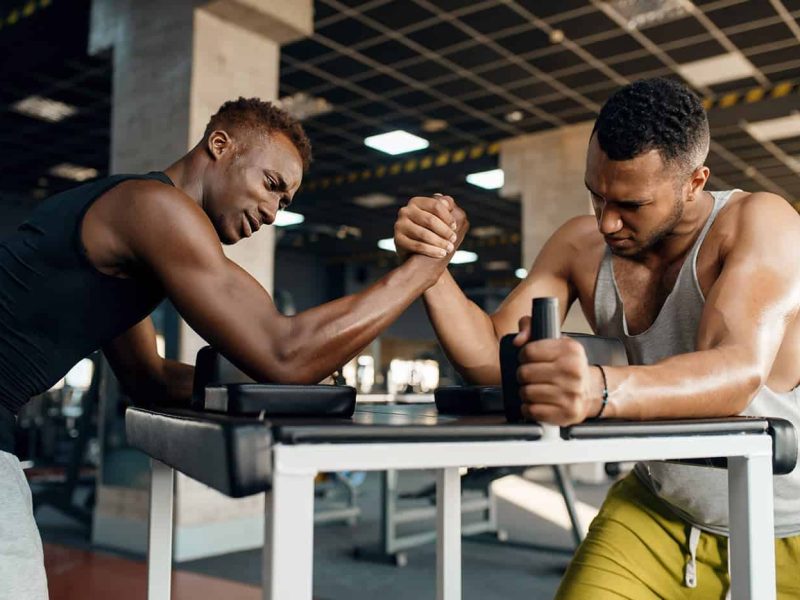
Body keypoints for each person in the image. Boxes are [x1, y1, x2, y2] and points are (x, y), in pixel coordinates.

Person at [0, 97, 464, 599]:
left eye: (285, 203)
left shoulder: (136, 242)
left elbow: (147, 378)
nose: (271, 211)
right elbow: (285, 354)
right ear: (220, 145)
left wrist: (267, 390)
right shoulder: (154, 208)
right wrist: (425, 267)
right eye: (270, 185)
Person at [393, 77, 800, 598]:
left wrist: (597, 390)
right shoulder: (579, 247)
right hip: (661, 512)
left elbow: (735, 372)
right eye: (596, 194)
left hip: (786, 527)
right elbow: (491, 359)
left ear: (695, 182)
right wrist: (429, 262)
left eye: (631, 204)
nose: (607, 221)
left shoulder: (759, 222)